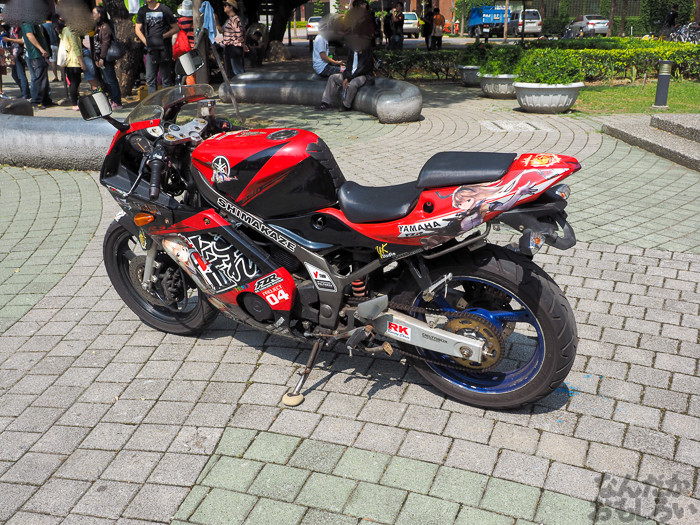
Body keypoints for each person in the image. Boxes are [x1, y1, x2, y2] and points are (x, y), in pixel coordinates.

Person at [135, 0, 179, 93]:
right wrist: (146, 42)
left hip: (164, 48)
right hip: (151, 49)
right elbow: (137, 29)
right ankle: (154, 100)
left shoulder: (164, 9)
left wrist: (163, 36)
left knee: (166, 79)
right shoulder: (143, 10)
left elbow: (176, 28)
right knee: (150, 78)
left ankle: (166, 99)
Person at [317, 45, 374, 112]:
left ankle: (346, 105)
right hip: (350, 75)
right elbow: (348, 66)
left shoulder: (367, 52)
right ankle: (326, 102)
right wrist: (346, 77)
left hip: (362, 75)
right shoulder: (352, 50)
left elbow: (362, 70)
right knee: (333, 78)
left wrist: (348, 79)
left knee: (353, 84)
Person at [92, 6, 122, 109]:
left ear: (100, 14)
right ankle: (112, 99)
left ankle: (116, 101)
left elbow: (105, 43)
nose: (92, 15)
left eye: (94, 13)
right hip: (99, 57)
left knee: (111, 79)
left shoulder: (105, 27)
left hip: (106, 58)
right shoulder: (97, 27)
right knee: (107, 80)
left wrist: (102, 57)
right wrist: (96, 58)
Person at [21, 19, 53, 108]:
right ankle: (37, 101)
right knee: (39, 78)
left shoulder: (33, 21)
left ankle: (45, 100)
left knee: (43, 78)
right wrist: (41, 49)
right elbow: (29, 35)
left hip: (39, 54)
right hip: (35, 54)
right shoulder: (27, 22)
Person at [57, 17, 84, 111]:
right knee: (75, 83)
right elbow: (76, 47)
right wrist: (82, 62)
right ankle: (75, 103)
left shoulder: (64, 31)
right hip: (74, 60)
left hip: (68, 61)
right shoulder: (72, 32)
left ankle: (76, 102)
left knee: (74, 82)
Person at [2, 25, 31, 100]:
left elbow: (22, 40)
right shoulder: (10, 28)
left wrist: (9, 39)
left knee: (20, 74)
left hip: (19, 53)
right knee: (14, 74)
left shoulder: (20, 28)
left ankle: (26, 93)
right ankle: (24, 92)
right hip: (14, 54)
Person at [221, 0, 246, 77]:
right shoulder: (230, 19)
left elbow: (239, 33)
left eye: (225, 5)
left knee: (237, 70)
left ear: (231, 7)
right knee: (231, 70)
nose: (224, 7)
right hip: (229, 46)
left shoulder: (235, 19)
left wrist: (242, 45)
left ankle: (241, 83)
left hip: (234, 46)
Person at [43, 15, 60, 82]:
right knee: (60, 61)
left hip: (50, 45)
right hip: (58, 44)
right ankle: (63, 76)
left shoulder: (43, 26)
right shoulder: (55, 24)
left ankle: (56, 76)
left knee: (53, 61)